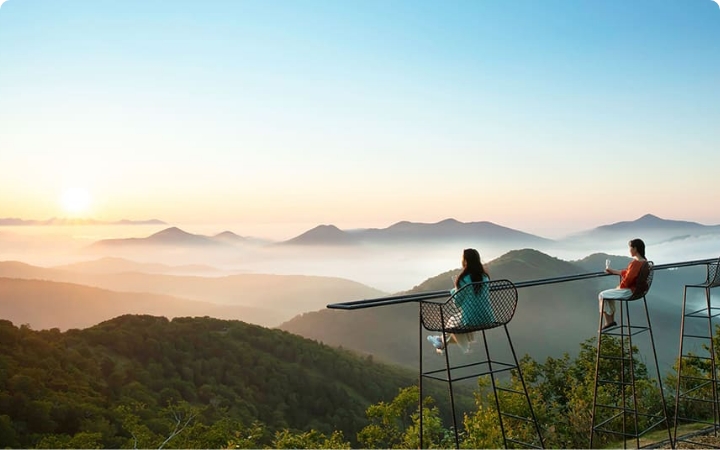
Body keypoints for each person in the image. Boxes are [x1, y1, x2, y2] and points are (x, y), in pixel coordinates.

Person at [427, 248, 494, 354]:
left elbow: (457, 303)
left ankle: (441, 342)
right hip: (487, 317)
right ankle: (440, 341)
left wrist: (454, 291)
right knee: (456, 322)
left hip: (470, 320)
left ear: (465, 261)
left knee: (454, 321)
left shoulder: (463, 279)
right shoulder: (485, 277)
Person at [598, 238, 648, 330]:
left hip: (630, 291)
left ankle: (609, 321)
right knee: (609, 294)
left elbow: (628, 279)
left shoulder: (635, 263)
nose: (629, 250)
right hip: (639, 291)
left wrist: (619, 287)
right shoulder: (644, 262)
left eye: (630, 248)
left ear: (635, 249)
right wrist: (613, 271)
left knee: (602, 295)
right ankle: (610, 321)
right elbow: (629, 273)